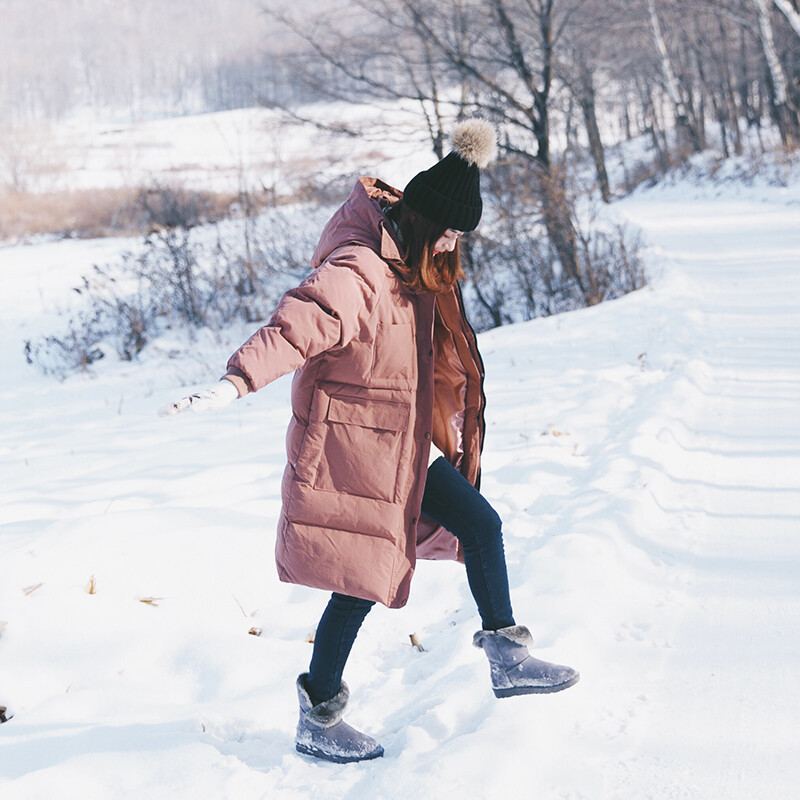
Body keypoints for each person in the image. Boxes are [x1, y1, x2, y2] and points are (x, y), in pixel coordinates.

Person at [162, 119, 579, 764]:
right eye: (447, 230)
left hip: (403, 451)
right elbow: (300, 322)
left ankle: (506, 655)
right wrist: (234, 382)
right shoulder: (360, 269)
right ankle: (320, 714)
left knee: (479, 524)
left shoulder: (414, 268)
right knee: (360, 582)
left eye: (460, 237)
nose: (450, 244)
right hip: (357, 454)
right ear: (420, 218)